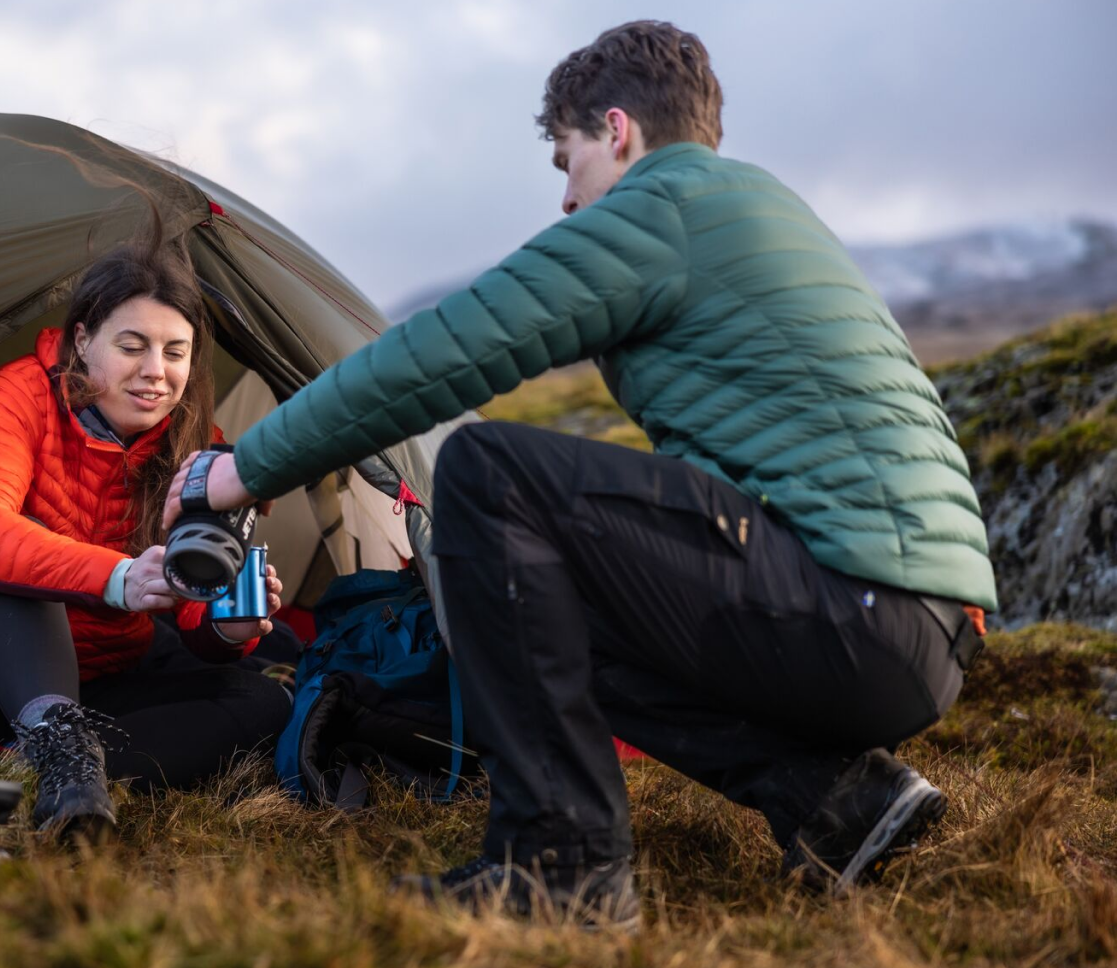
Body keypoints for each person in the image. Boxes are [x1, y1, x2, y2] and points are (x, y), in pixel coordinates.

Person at [166, 21, 994, 927]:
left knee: (488, 468)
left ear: (618, 131)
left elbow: (437, 357)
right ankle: (839, 802)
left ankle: (558, 863)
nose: (567, 198)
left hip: (852, 611)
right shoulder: (753, 208)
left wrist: (239, 471)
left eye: (568, 161)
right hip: (911, 632)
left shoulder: (662, 210)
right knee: (558, 602)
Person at [0, 227, 290, 841]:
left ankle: (34, 772)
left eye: (175, 352)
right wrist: (118, 577)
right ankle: (55, 754)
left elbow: (192, 605)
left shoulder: (196, 441)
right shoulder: (17, 396)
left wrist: (227, 627)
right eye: (132, 346)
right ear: (83, 340)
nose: (155, 373)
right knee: (12, 548)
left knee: (263, 703)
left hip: (91, 681)